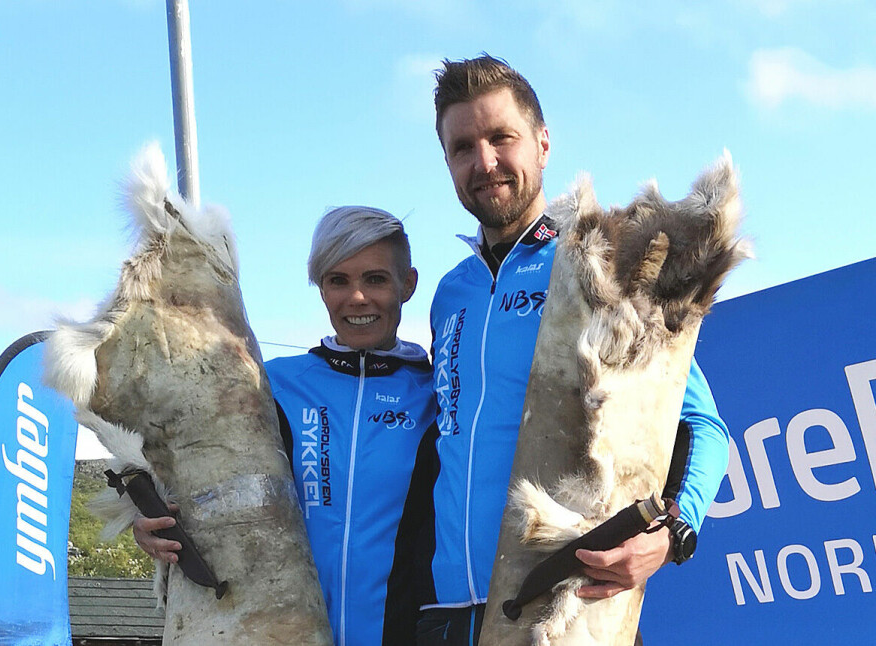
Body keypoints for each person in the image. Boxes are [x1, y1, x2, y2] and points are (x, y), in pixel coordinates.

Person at [415, 55, 730, 644]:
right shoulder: (448, 294)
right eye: (462, 147)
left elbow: (705, 427)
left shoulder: (600, 261)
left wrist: (671, 534)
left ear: (542, 143)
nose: (484, 162)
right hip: (450, 614)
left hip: (560, 608)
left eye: (500, 137)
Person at [135, 206, 438, 646]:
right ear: (320, 288)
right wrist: (148, 520)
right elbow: (187, 474)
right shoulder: (268, 383)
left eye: (375, 279)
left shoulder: (439, 394)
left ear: (407, 284)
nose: (357, 298)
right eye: (338, 280)